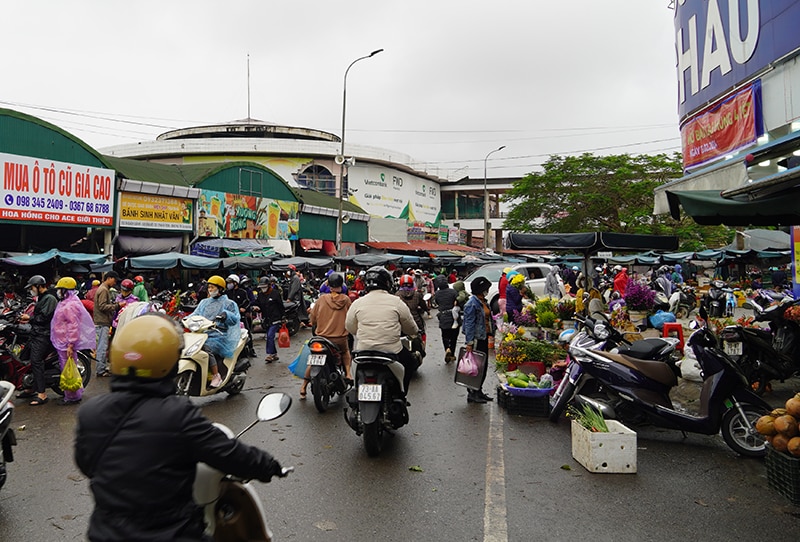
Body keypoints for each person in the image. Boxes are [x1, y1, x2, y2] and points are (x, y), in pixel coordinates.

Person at [74, 313, 285, 541]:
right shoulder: (177, 414)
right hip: (173, 534)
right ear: (170, 362)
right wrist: (268, 465)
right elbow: (228, 454)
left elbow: (87, 464)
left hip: (104, 534)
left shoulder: (90, 412)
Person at [345, 266, 419, 395]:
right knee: (410, 362)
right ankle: (402, 394)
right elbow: (411, 328)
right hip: (391, 351)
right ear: (388, 283)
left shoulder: (358, 303)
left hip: (363, 351)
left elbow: (350, 327)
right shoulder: (396, 302)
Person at [304, 273, 352, 399]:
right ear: (341, 285)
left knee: (313, 358)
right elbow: (351, 317)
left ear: (329, 285)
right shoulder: (346, 300)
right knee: (346, 351)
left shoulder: (321, 299)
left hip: (322, 338)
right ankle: (348, 374)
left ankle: (303, 387)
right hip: (339, 338)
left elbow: (313, 318)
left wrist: (313, 322)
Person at [50, 277, 95, 405]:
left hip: (66, 343)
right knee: (67, 368)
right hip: (62, 341)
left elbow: (73, 326)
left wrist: (70, 344)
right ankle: (72, 393)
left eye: (60, 289)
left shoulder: (70, 305)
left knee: (68, 370)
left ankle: (72, 397)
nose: (58, 292)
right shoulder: (65, 302)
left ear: (65, 290)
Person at [189, 275, 240, 388]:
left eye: (212, 287)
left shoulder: (229, 303)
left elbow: (235, 319)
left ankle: (216, 375)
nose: (210, 290)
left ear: (220, 289)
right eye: (209, 287)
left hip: (219, 336)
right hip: (203, 334)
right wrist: (185, 319)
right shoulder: (204, 302)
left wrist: (226, 315)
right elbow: (195, 314)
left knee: (206, 348)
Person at [16, 275, 57, 405]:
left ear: (39, 286)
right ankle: (29, 388)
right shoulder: (42, 298)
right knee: (24, 358)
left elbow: (44, 318)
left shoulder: (50, 298)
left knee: (36, 361)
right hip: (36, 333)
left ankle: (42, 394)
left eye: (32, 287)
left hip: (44, 336)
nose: (31, 290)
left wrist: (29, 318)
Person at [462, 276, 495, 404]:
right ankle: (472, 393)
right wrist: (469, 342)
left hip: (484, 337)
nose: (487, 290)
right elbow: (469, 324)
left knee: (483, 366)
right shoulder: (471, 304)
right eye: (486, 288)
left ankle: (479, 390)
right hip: (476, 339)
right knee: (474, 368)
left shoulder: (483, 302)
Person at [94, 271, 125, 378]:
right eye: (114, 280)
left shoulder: (103, 288)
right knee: (102, 347)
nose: (115, 282)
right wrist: (117, 306)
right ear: (109, 278)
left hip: (101, 321)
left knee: (102, 346)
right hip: (102, 322)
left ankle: (101, 367)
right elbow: (102, 306)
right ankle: (100, 370)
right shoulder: (103, 290)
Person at [225, 274, 255, 357]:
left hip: (241, 316)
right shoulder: (226, 293)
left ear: (235, 283)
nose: (228, 284)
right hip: (230, 316)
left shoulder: (243, 292)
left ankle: (251, 349)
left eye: (230, 282)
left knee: (247, 332)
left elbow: (247, 302)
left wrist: (244, 308)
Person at [434, 277, 462, 363]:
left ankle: (447, 349)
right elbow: (458, 301)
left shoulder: (437, 294)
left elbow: (437, 302)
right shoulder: (453, 292)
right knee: (454, 337)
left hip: (443, 317)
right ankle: (452, 354)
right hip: (454, 317)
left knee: (445, 336)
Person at [255, 276, 283, 363]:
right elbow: (258, 304)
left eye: (264, 287)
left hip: (275, 318)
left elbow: (280, 306)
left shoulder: (275, 294)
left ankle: (270, 354)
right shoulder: (260, 295)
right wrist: (255, 307)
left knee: (270, 336)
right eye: (261, 287)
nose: (263, 289)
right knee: (269, 336)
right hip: (266, 319)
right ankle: (274, 354)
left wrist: (283, 317)